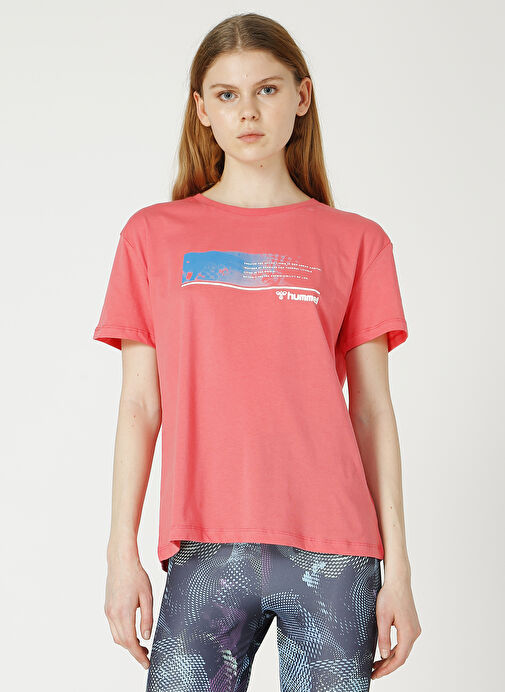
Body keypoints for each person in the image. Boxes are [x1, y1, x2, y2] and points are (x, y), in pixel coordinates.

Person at [93, 12, 421, 691]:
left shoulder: (357, 242)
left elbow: (372, 413)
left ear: (301, 97)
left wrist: (400, 571)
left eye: (267, 90)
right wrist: (120, 552)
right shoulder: (152, 236)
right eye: (227, 94)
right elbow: (139, 404)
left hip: (335, 551)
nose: (247, 111)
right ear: (201, 109)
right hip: (204, 543)